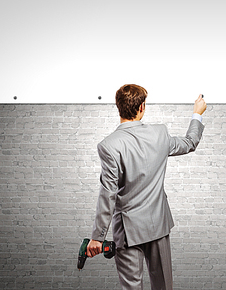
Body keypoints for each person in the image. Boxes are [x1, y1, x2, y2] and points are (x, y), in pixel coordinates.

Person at [86, 84, 206, 290]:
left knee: (132, 287)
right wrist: (197, 114)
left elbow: (108, 193)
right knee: (163, 286)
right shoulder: (160, 134)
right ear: (142, 107)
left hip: (128, 231)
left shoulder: (109, 145)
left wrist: (98, 237)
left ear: (118, 107)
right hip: (158, 224)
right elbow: (190, 142)